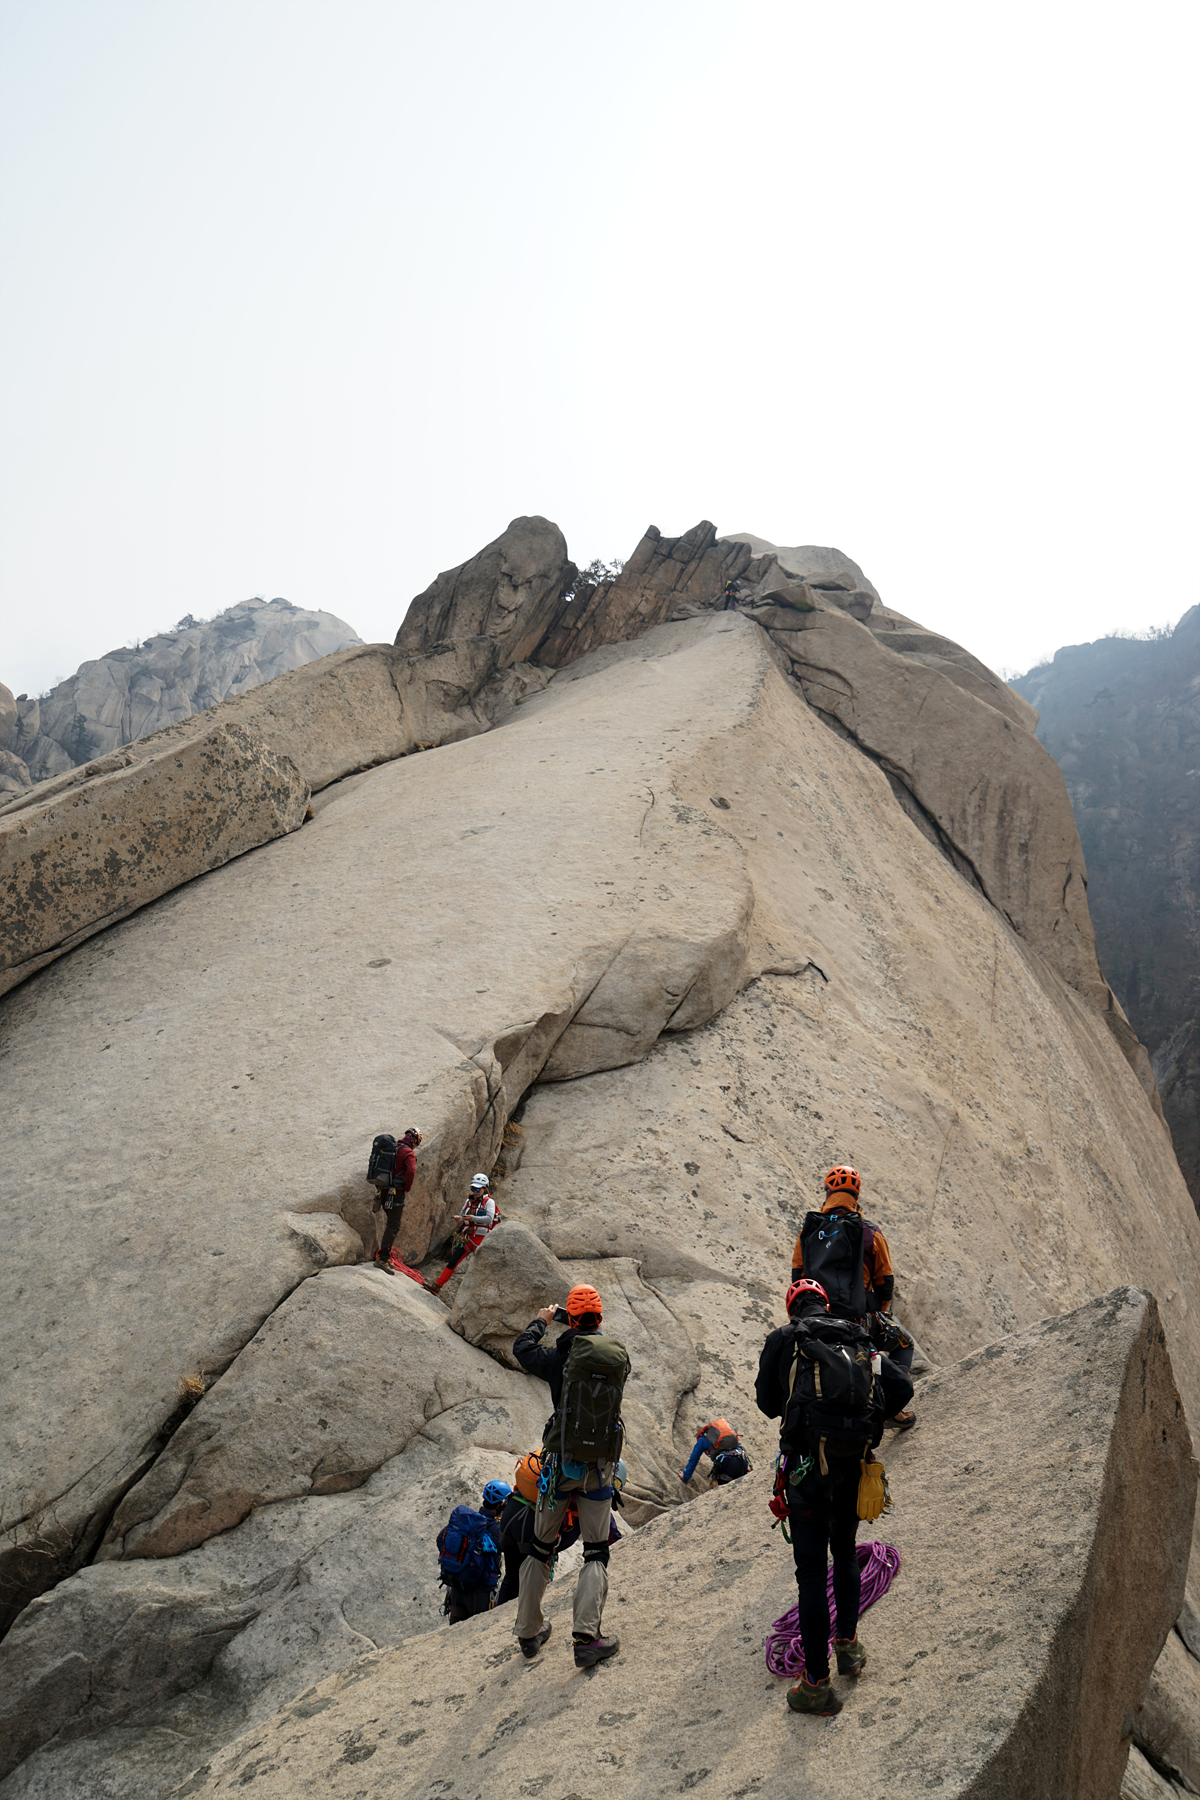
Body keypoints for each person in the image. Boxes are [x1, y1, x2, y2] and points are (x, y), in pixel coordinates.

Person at [756, 1277, 883, 1716]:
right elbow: (897, 1388)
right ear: (826, 1304)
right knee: (845, 1553)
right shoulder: (857, 1336)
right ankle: (848, 1648)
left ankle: (816, 1684)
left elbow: (767, 1402)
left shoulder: (786, 1337)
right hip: (852, 1467)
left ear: (794, 1309)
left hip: (808, 1471)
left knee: (811, 1574)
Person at [511, 1284, 630, 1667]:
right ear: (599, 1317)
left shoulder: (557, 1358)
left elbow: (521, 1350)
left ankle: (529, 1633)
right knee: (596, 1549)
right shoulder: (616, 1358)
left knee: (540, 1546)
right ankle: (586, 1638)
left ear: (571, 1318)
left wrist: (543, 1320)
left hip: (559, 1464)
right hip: (599, 1467)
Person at [791, 1165, 916, 1429]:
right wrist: (881, 1311)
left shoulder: (809, 1232)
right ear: (856, 1197)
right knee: (903, 1344)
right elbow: (885, 1280)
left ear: (827, 1192)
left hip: (818, 1318)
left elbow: (798, 1277)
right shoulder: (869, 1232)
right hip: (859, 1317)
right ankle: (892, 1405)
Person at [436, 1479, 509, 1623]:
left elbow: (440, 1539)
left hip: (457, 1586)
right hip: (480, 1592)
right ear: (500, 1505)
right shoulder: (494, 1529)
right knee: (479, 1630)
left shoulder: (468, 1523)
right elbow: (510, 1548)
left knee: (455, 1632)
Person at [424, 1173, 499, 1293]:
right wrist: (460, 1218)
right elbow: (463, 1215)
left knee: (480, 1268)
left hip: (481, 1239)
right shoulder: (469, 1201)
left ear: (485, 1188)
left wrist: (471, 1218)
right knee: (453, 1260)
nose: (475, 1191)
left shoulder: (489, 1202)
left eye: (478, 1189)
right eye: (473, 1188)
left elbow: (489, 1218)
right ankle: (437, 1285)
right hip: (468, 1238)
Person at [375, 1127, 421, 1270]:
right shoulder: (408, 1153)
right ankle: (383, 1259)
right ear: (414, 1141)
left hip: (383, 1191)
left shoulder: (393, 1149)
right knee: (393, 1226)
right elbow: (411, 1171)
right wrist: (407, 1189)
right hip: (396, 1193)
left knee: (391, 1224)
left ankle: (385, 1255)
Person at [679, 1418, 752, 1486]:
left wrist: (685, 1476)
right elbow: (738, 1446)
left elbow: (693, 1459)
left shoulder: (702, 1439)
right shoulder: (725, 1435)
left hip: (726, 1465)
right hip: (741, 1461)